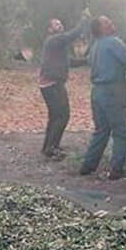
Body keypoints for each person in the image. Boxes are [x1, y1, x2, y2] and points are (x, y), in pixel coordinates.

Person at [79, 15, 126, 180]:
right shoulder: (114, 42)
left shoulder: (95, 46)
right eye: (107, 22)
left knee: (101, 130)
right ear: (102, 28)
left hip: (97, 92)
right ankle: (116, 170)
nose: (111, 23)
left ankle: (87, 166)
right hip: (113, 92)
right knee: (122, 132)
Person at [38, 11, 90, 159]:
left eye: (59, 22)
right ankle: (51, 148)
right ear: (50, 29)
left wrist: (87, 60)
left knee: (55, 116)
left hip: (49, 84)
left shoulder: (57, 45)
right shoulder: (54, 40)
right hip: (52, 84)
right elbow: (73, 34)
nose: (59, 24)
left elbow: (69, 62)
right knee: (63, 116)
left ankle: (49, 146)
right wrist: (84, 19)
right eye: (55, 23)